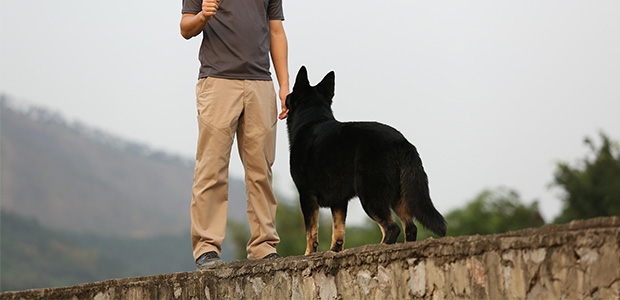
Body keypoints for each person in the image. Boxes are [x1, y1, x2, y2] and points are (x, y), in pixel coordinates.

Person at [180, 0, 289, 270]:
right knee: (212, 167)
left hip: (261, 82)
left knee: (261, 169)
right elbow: (185, 27)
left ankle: (264, 246)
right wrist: (203, 16)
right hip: (217, 82)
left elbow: (276, 31)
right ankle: (206, 247)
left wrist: (284, 84)